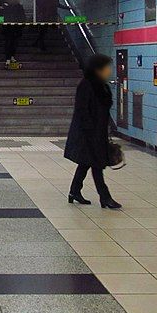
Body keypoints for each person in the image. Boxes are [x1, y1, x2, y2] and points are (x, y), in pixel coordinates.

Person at [64, 54, 121, 209]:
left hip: (98, 132)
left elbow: (104, 107)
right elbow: (82, 110)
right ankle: (105, 197)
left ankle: (74, 191)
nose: (110, 70)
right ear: (98, 69)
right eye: (107, 67)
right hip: (87, 133)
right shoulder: (86, 85)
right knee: (97, 164)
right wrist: (90, 132)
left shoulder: (101, 85)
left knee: (86, 163)